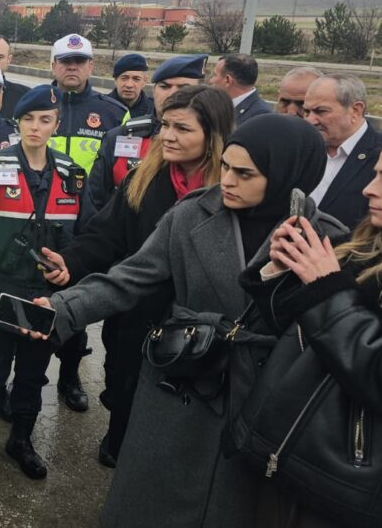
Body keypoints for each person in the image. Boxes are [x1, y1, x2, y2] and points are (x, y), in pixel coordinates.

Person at [34, 114, 342, 527]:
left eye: (245, 173)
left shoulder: (326, 241)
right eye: (227, 167)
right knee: (151, 503)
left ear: (289, 173)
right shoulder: (189, 216)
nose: (227, 180)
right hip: (179, 384)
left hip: (261, 401)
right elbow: (128, 279)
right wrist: (63, 310)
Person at [42, 86, 235, 468]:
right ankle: (117, 445)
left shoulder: (232, 192)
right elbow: (105, 236)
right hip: (136, 317)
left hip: (200, 329)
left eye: (183, 128)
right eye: (165, 125)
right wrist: (70, 261)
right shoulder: (143, 179)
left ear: (213, 136)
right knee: (125, 393)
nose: (168, 136)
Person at [234, 153, 382, 526]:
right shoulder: (364, 244)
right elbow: (293, 330)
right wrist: (280, 270)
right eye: (376, 174)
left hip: (347, 486)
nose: (369, 189)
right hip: (290, 453)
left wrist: (326, 290)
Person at [0, 85, 94, 482]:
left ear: (56, 124)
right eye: (27, 119)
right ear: (17, 122)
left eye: (44, 120)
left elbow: (85, 235)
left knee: (33, 374)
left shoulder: (72, 174)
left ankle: (20, 439)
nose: (35, 127)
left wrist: (69, 271)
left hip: (44, 297)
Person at [45, 33, 127, 411]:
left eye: (79, 62)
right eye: (65, 61)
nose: (72, 67)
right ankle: (27, 378)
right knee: (33, 308)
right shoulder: (34, 106)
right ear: (53, 66)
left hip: (85, 233)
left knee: (76, 312)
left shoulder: (112, 114)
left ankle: (70, 375)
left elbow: (121, 180)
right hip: (39, 228)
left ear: (92, 67)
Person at [86, 54, 208, 210]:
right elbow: (95, 199)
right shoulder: (120, 136)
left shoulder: (212, 141)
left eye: (184, 88)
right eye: (164, 86)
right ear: (154, 89)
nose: (172, 94)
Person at [303, 73, 382, 228]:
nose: (310, 120)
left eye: (321, 111)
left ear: (355, 111)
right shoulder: (300, 149)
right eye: (307, 112)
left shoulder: (378, 155)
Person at [209, 52, 272, 123]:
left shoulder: (260, 116)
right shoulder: (219, 105)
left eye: (214, 75)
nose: (210, 80)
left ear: (227, 80)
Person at [107, 53, 153, 118]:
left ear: (144, 81)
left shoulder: (154, 110)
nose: (129, 85)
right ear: (115, 80)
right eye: (124, 78)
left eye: (136, 79)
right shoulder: (101, 107)